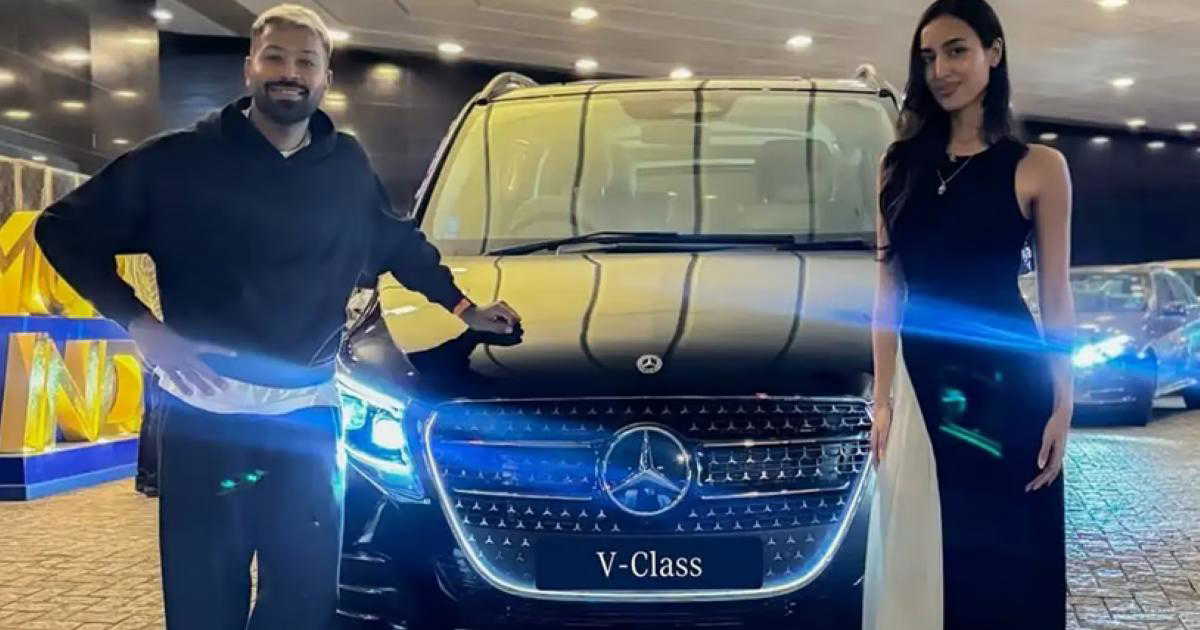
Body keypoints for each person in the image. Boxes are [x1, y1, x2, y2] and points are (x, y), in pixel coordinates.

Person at [34, 4, 520, 629]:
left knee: (302, 604)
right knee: (205, 604)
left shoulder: (344, 166)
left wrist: (463, 307)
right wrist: (141, 325)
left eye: (305, 62)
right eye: (275, 57)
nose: (289, 73)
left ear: (325, 79)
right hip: (205, 419)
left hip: (306, 418)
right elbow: (61, 229)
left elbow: (397, 244)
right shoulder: (179, 161)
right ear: (249, 68)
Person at [862, 1, 1073, 628]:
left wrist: (1064, 401)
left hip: (1011, 386)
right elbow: (886, 289)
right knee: (926, 552)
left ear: (993, 52)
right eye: (928, 57)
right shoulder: (898, 165)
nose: (941, 70)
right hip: (923, 384)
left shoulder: (1038, 166)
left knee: (1012, 556)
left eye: (957, 50)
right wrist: (882, 399)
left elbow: (1057, 296)